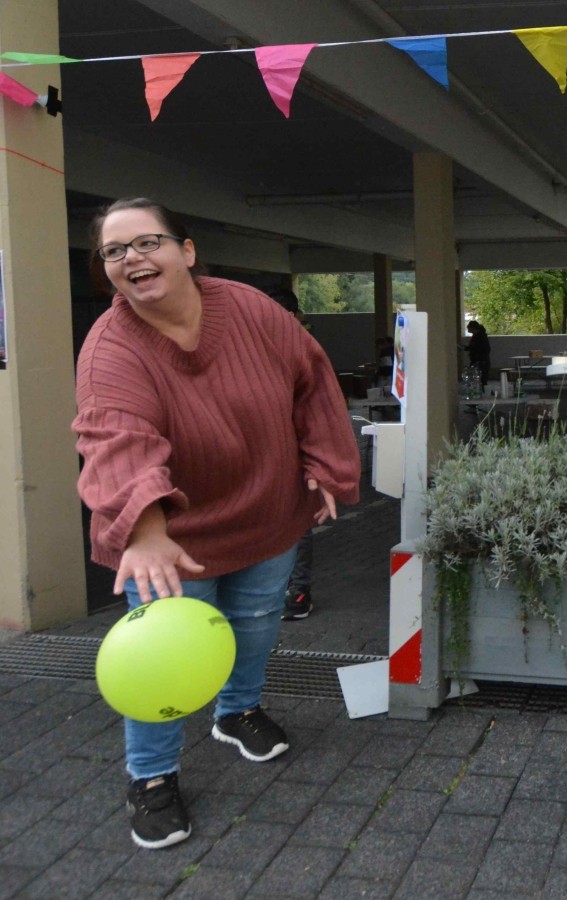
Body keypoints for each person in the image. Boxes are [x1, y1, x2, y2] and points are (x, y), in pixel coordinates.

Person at [74, 198, 361, 849]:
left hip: (265, 510)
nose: (132, 259)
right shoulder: (110, 348)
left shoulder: (251, 309)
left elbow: (311, 379)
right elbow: (114, 436)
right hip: (172, 542)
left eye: (147, 242)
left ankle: (238, 712)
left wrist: (323, 460)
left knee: (256, 626)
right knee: (159, 663)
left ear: (186, 250)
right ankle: (149, 776)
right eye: (115, 252)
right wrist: (144, 530)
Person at [269, 288, 318, 621]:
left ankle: (296, 592)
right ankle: (287, 591)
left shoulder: (300, 348)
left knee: (296, 523)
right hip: (268, 449)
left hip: (289, 448)